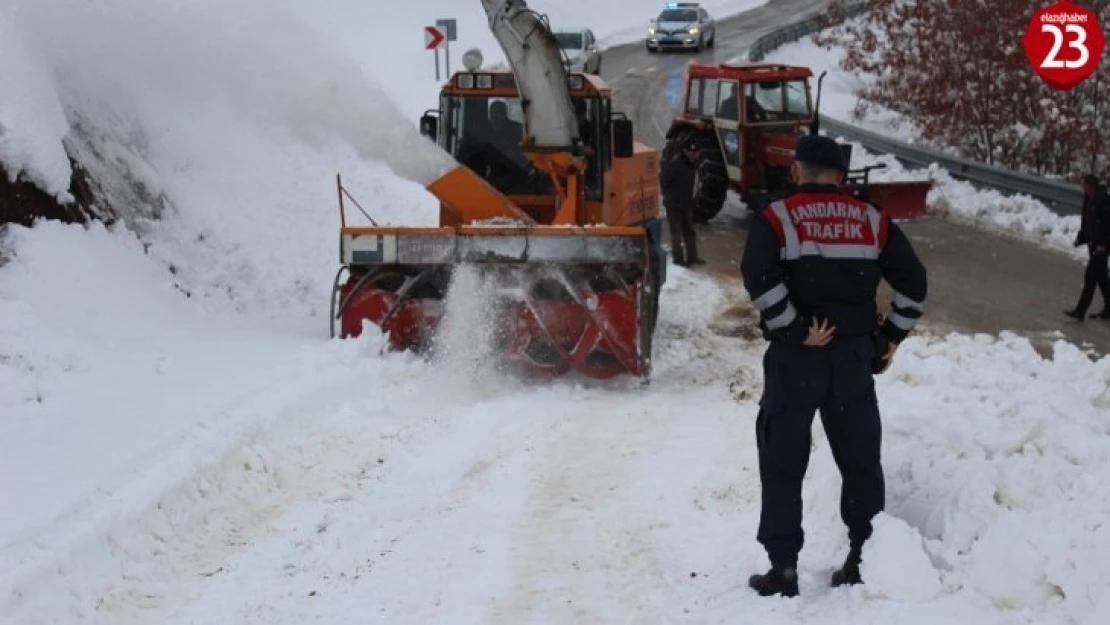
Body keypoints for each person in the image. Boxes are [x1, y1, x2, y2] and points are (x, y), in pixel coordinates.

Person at [739, 134, 928, 598]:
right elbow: (914, 283)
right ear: (841, 177)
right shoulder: (872, 219)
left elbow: (757, 278)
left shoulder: (777, 218)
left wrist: (794, 328)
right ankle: (862, 560)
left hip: (796, 360)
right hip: (852, 361)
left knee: (783, 460)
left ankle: (782, 569)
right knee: (861, 460)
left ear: (796, 171)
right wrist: (890, 338)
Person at [1065, 174, 1110, 320]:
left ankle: (1080, 311)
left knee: (1090, 277)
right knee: (1102, 277)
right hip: (1093, 243)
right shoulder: (1088, 199)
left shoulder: (1103, 200)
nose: (1082, 188)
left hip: (1102, 245)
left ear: (1090, 186)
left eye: (1084, 185)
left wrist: (1104, 244)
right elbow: (1087, 221)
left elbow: (1107, 224)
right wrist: (1081, 238)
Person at [661, 140, 705, 267]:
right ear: (685, 152)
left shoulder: (694, 165)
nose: (693, 155)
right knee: (676, 233)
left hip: (686, 204)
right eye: (690, 152)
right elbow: (664, 181)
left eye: (695, 152)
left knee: (689, 231)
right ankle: (678, 259)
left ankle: (692, 256)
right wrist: (670, 198)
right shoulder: (675, 164)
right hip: (674, 205)